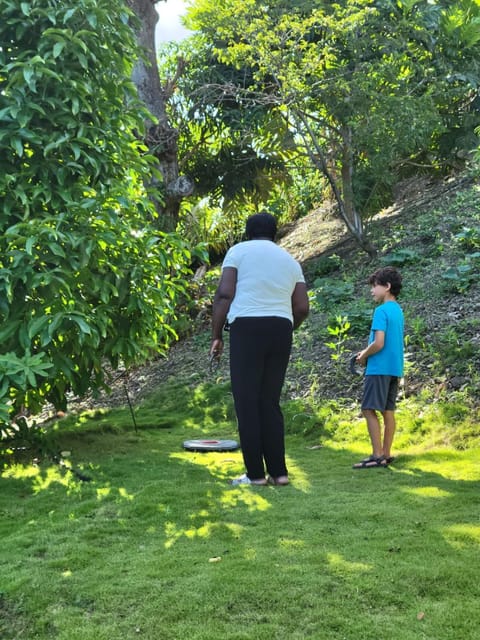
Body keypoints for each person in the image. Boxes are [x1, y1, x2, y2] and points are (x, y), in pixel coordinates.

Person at [210, 212, 309, 486]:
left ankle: (255, 476)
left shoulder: (238, 252)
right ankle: (279, 473)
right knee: (269, 402)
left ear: (247, 232)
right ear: (275, 233)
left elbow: (225, 294)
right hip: (280, 329)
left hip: (247, 328)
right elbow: (301, 307)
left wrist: (216, 335)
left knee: (247, 403)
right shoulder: (290, 261)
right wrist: (287, 327)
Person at [353, 266, 404, 469]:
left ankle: (376, 454)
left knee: (368, 409)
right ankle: (386, 454)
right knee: (388, 410)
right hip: (395, 368)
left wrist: (363, 356)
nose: (372, 290)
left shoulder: (381, 311)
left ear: (387, 287)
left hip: (379, 368)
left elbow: (379, 343)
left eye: (375, 286)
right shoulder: (398, 310)